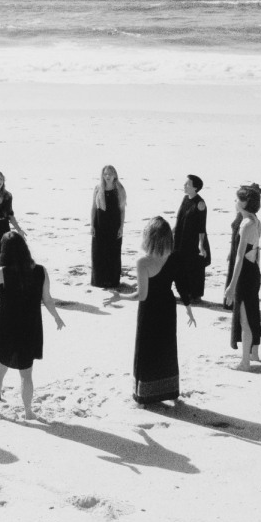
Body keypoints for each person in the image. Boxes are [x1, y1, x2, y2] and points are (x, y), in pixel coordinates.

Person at [0, 232, 64, 419]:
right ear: (24, 248)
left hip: (8, 327)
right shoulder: (40, 271)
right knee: (26, 375)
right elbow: (48, 299)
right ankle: (28, 412)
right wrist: (56, 317)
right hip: (31, 327)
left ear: (5, 251)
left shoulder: (4, 273)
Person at [118, 217, 196, 405]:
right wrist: (188, 309)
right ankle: (168, 390)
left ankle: (145, 394)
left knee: (146, 349)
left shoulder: (143, 262)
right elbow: (182, 285)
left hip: (149, 309)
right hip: (167, 307)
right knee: (166, 347)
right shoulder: (174, 257)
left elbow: (142, 295)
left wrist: (121, 297)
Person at [225, 184, 261, 370]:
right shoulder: (256, 220)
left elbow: (239, 258)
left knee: (245, 318)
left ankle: (245, 362)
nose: (235, 202)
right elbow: (255, 252)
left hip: (246, 275)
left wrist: (231, 286)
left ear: (245, 202)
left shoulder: (246, 224)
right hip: (253, 271)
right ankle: (254, 353)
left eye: (238, 199)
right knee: (253, 313)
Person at [172, 174, 210, 303]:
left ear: (195, 188)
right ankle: (184, 292)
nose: (184, 185)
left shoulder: (200, 204)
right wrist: (172, 231)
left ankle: (195, 295)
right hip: (181, 237)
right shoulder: (185, 198)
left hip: (194, 240)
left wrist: (201, 244)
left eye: (187, 184)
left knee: (193, 267)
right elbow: (180, 218)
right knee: (180, 264)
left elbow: (201, 227)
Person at [90, 164, 127, 288]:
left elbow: (122, 210)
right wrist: (92, 225)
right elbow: (94, 208)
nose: (107, 176)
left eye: (110, 174)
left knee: (113, 253)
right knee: (98, 253)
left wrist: (121, 227)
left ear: (115, 175)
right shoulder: (98, 188)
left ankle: (112, 281)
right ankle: (99, 281)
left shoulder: (119, 189)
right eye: (105, 174)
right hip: (100, 224)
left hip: (114, 224)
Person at [223, 211, 243, 309]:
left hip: (240, 252)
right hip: (235, 250)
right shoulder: (241, 213)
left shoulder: (247, 218)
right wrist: (231, 251)